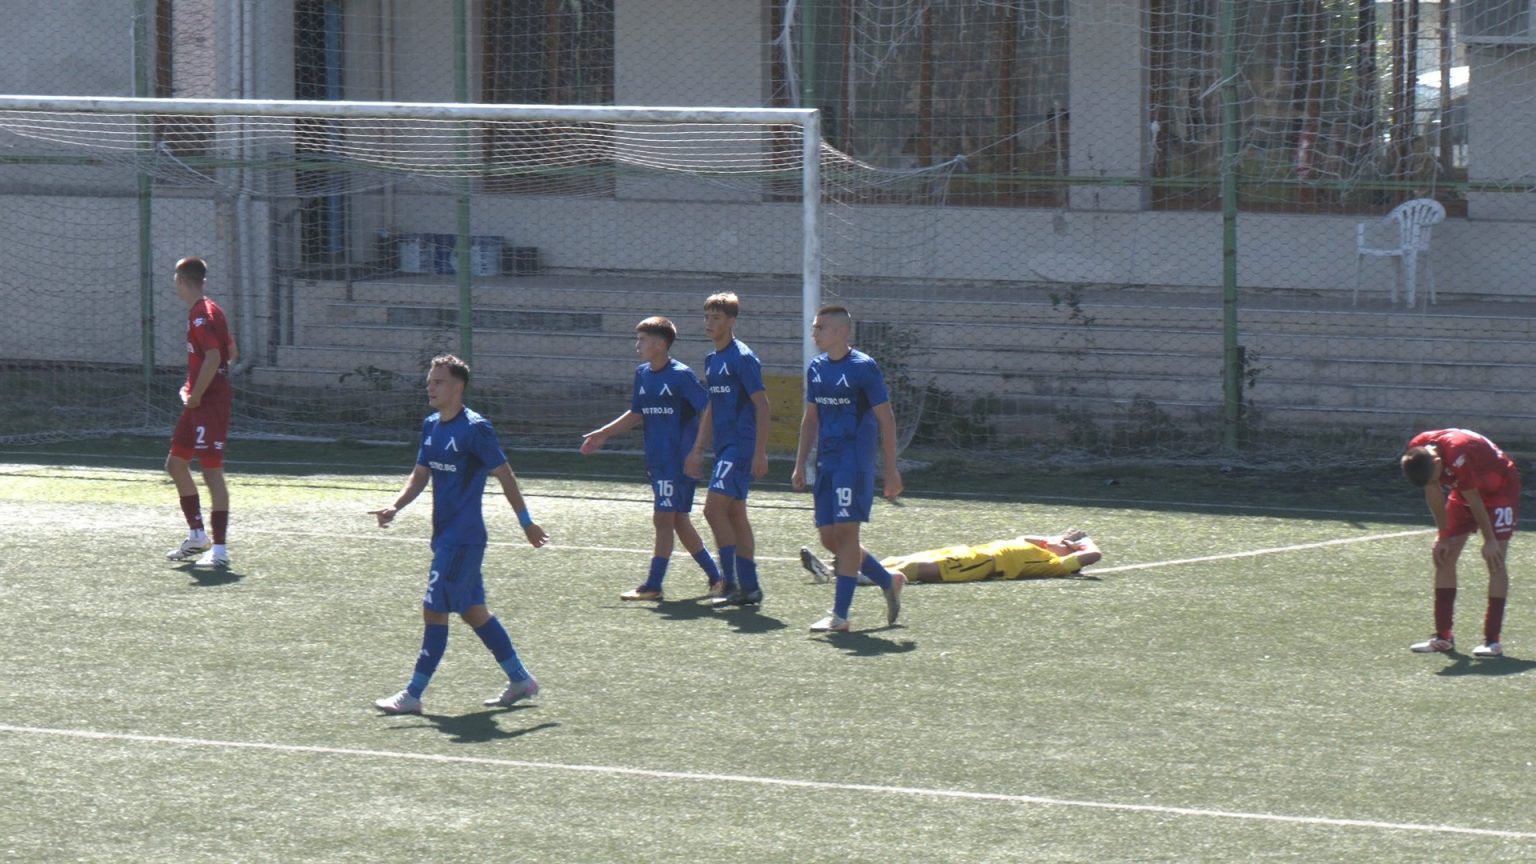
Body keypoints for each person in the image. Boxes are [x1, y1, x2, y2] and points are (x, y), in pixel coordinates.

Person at [372, 354, 550, 715]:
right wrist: (395, 505)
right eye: (429, 381)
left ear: (458, 387)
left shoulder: (475, 429)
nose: (430, 387)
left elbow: (506, 476)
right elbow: (420, 475)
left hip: (463, 540)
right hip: (444, 537)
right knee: (473, 611)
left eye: (438, 382)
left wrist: (526, 522)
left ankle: (413, 694)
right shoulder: (431, 426)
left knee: (433, 610)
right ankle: (520, 679)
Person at [581, 316, 723, 600]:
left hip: (678, 461)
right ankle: (718, 578)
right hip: (658, 460)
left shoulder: (681, 375)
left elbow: (708, 408)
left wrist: (697, 450)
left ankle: (654, 585)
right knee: (678, 520)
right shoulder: (643, 374)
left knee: (663, 519)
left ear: (659, 344)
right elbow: (637, 413)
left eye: (642, 340)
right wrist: (604, 433)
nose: (637, 346)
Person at [791, 305, 904, 632]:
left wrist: (891, 469)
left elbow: (886, 419)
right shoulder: (816, 368)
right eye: (814, 327)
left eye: (820, 327)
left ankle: (840, 616)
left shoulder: (863, 368)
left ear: (841, 332)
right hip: (826, 463)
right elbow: (811, 419)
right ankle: (887, 580)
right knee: (830, 539)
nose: (814, 333)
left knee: (847, 535)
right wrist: (800, 463)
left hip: (853, 464)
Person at [684, 292, 772, 608]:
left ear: (732, 321)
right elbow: (712, 406)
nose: (709, 323)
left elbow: (762, 405)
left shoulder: (742, 358)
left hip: (740, 446)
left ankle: (730, 582)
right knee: (735, 514)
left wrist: (760, 452)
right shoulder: (712, 360)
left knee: (712, 510)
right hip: (725, 447)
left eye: (717, 318)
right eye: (707, 317)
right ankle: (750, 588)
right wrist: (698, 448)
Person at [1401, 428, 1519, 658]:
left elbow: (1475, 501)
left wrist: (1490, 540)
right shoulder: (1418, 449)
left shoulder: (1457, 452)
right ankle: (1443, 637)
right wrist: (1443, 535)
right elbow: (1433, 489)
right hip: (1465, 489)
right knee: (1444, 557)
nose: (1435, 482)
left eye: (1435, 477)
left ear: (1437, 462)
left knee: (1495, 560)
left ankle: (1492, 641)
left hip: (1500, 488)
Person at [164, 256, 238, 567]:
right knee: (176, 464)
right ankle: (197, 535)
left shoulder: (201, 315)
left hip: (208, 404)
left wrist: (197, 394)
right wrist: (193, 387)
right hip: (197, 402)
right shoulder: (210, 310)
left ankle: (219, 550)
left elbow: (214, 357)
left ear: (181, 280)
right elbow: (231, 352)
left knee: (211, 472)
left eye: (175, 280)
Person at [800, 529, 1102, 585]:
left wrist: (1081, 542)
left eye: (1068, 542)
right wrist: (1056, 539)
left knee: (911, 568)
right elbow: (1027, 538)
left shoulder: (1056, 565)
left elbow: (1094, 555)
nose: (1062, 539)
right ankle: (830, 571)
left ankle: (848, 579)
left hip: (983, 564)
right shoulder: (1044, 547)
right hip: (969, 552)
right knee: (895, 559)